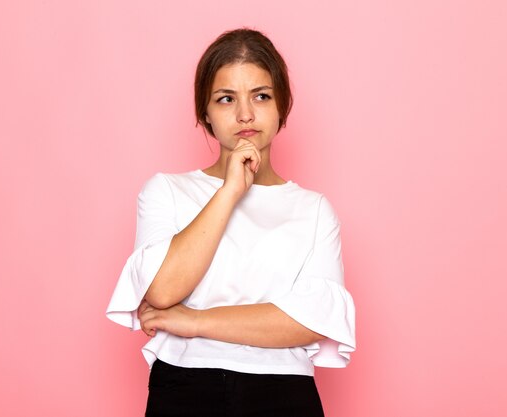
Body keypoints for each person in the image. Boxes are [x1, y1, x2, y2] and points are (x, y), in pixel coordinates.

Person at [106, 28, 356, 417]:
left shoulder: (314, 209)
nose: (245, 114)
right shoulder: (166, 191)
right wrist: (229, 192)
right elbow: (162, 289)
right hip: (185, 386)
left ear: (282, 107)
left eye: (261, 96)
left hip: (284, 392)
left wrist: (192, 321)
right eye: (226, 99)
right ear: (205, 113)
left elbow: (308, 321)